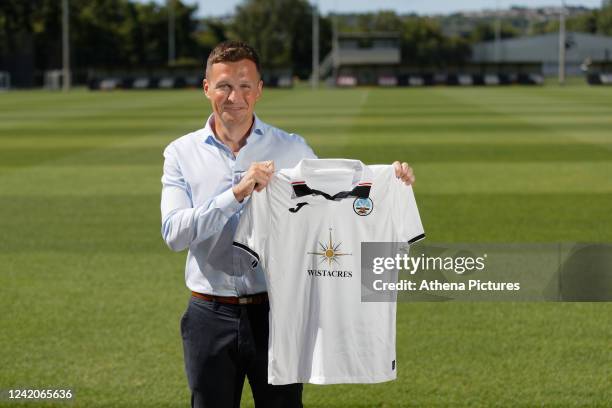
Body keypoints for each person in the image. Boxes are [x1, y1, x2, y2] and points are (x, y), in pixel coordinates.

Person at [160, 40, 416, 408]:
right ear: (206, 89)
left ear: (260, 90)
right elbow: (174, 233)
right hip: (208, 315)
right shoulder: (180, 153)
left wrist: (387, 184)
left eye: (246, 85)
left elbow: (333, 205)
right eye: (224, 86)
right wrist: (236, 193)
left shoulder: (292, 149)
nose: (235, 96)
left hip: (278, 312)